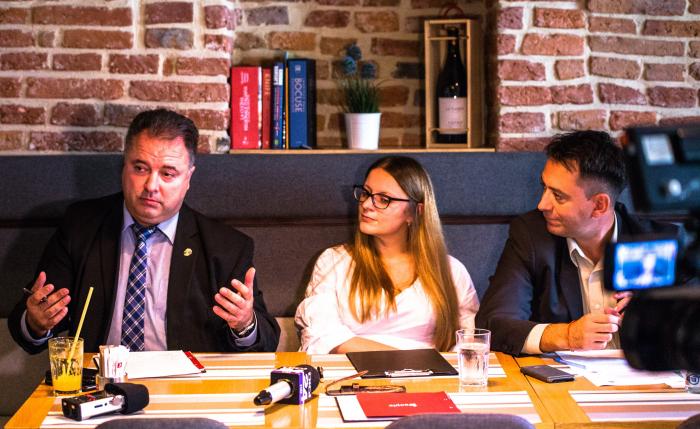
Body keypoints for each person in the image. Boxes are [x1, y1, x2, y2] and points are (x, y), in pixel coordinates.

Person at [9, 109, 280, 354]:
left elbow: (266, 341)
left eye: (168, 174)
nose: (151, 185)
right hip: (100, 381)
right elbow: (29, 325)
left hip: (186, 385)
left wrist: (244, 323)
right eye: (140, 168)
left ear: (188, 178)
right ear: (123, 167)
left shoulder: (226, 247)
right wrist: (36, 323)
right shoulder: (81, 226)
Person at [475, 130, 677, 356]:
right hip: (560, 378)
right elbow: (493, 323)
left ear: (599, 205)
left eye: (558, 196)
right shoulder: (531, 236)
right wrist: (567, 335)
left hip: (645, 376)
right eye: (544, 187)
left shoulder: (662, 244)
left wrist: (656, 314)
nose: (542, 204)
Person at [295, 156, 479, 354]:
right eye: (366, 193)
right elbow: (321, 335)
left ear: (415, 212)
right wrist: (409, 361)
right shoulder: (334, 262)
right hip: (352, 372)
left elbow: (467, 344)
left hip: (430, 374)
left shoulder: (451, 271)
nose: (367, 204)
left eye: (384, 199)